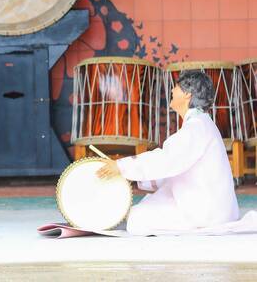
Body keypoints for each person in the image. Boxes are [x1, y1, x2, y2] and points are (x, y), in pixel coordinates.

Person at [97, 70, 239, 235]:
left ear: (187, 94)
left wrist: (122, 167)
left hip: (206, 213)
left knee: (137, 217)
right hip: (212, 206)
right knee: (147, 204)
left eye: (176, 87)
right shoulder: (201, 123)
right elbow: (176, 166)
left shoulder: (196, 127)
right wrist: (129, 175)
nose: (172, 91)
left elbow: (166, 160)